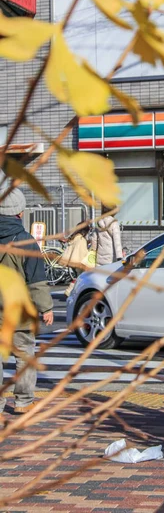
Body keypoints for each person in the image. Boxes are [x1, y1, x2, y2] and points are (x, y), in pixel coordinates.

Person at [0, 171, 53, 416]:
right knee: (24, 354)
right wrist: (47, 308)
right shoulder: (25, 240)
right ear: (20, 213)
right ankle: (23, 401)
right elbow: (36, 279)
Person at [61, 227, 89, 297]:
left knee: (79, 277)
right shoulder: (81, 239)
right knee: (81, 277)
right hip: (80, 262)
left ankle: (72, 291)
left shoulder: (75, 237)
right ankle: (69, 291)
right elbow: (83, 252)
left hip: (73, 261)